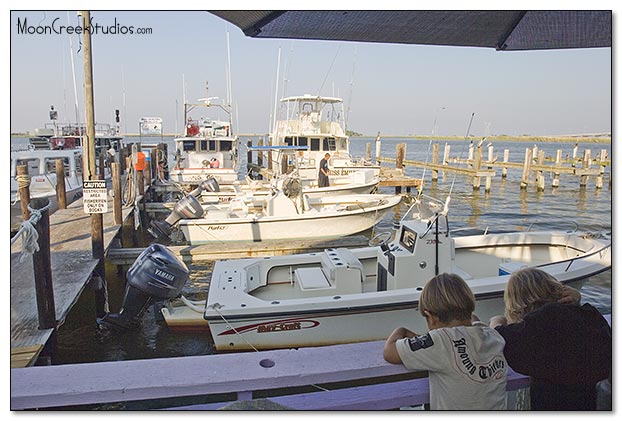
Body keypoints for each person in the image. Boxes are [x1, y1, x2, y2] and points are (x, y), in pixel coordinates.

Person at [490, 268, 611, 411]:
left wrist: (495, 323)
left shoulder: (537, 326)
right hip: (587, 404)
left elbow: (499, 340)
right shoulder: (587, 316)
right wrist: (578, 302)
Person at [384, 273, 507, 410]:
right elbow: (474, 321)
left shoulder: (441, 340)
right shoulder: (493, 336)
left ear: (431, 317)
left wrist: (402, 331)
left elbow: (390, 352)